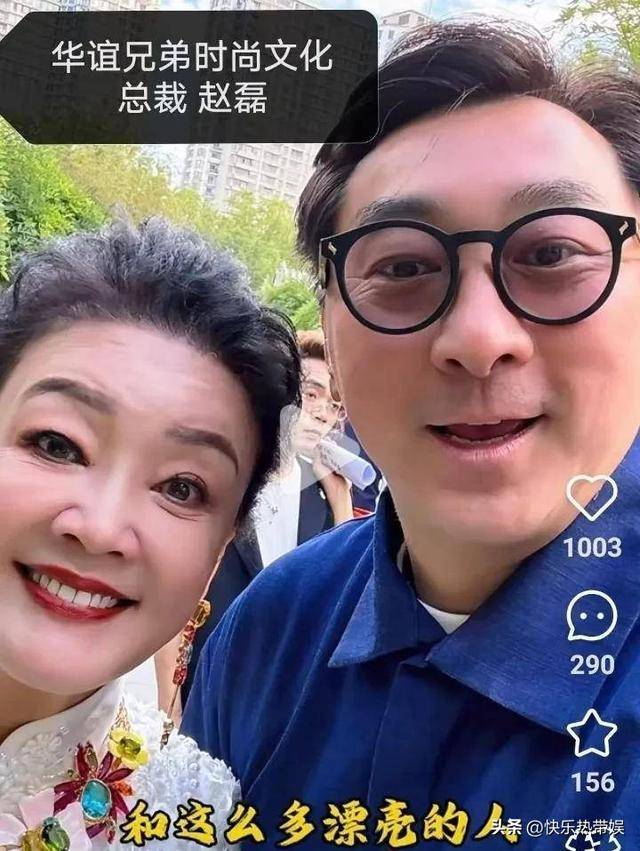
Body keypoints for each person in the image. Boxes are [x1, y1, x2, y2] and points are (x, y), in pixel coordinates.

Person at [183, 17, 640, 849]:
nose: (478, 337)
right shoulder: (268, 632)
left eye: (551, 254)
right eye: (401, 267)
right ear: (328, 324)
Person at [0, 216, 300, 849]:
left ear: (219, 552)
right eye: (56, 444)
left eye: (182, 488)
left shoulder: (188, 822)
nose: (100, 529)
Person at [180, 330, 351, 707]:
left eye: (334, 405)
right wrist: (170, 701)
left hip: (282, 695)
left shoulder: (321, 499)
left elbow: (343, 600)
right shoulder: (225, 480)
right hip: (205, 686)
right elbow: (179, 591)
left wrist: (342, 504)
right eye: (312, 394)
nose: (322, 412)